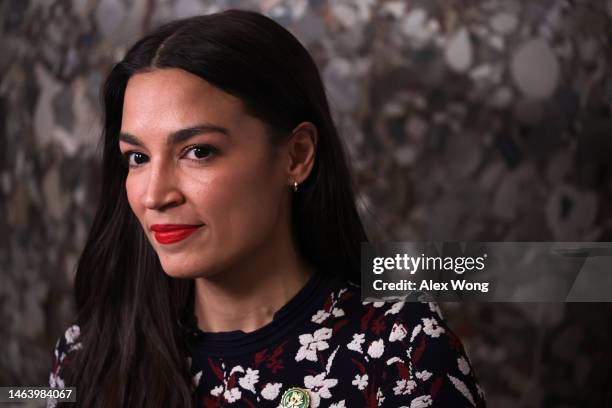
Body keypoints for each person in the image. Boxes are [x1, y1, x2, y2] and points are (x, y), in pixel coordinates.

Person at [47, 9, 486, 408]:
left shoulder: (402, 351)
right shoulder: (87, 357)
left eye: (198, 151)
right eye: (137, 158)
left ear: (296, 155)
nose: (154, 195)